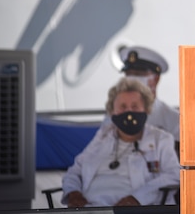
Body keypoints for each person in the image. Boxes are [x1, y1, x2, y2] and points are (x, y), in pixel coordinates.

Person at [61, 77, 180, 207]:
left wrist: (137, 198)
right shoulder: (103, 137)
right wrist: (73, 193)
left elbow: (174, 175)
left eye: (135, 106)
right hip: (91, 208)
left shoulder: (161, 139)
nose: (129, 113)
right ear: (113, 112)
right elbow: (74, 172)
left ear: (146, 110)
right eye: (123, 107)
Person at [101, 46, 180, 145]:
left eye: (139, 74)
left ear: (155, 79)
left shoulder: (174, 120)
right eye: (129, 74)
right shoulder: (114, 115)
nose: (133, 78)